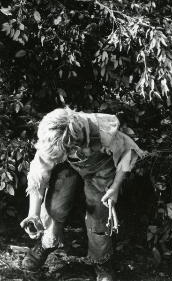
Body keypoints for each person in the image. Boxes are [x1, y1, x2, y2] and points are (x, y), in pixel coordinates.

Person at [19, 108, 145, 281]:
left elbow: (127, 153)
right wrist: (33, 214)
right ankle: (47, 243)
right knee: (55, 205)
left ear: (74, 144)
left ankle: (101, 260)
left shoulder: (103, 130)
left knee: (99, 213)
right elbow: (38, 175)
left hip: (101, 168)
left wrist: (115, 188)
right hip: (69, 166)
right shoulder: (52, 134)